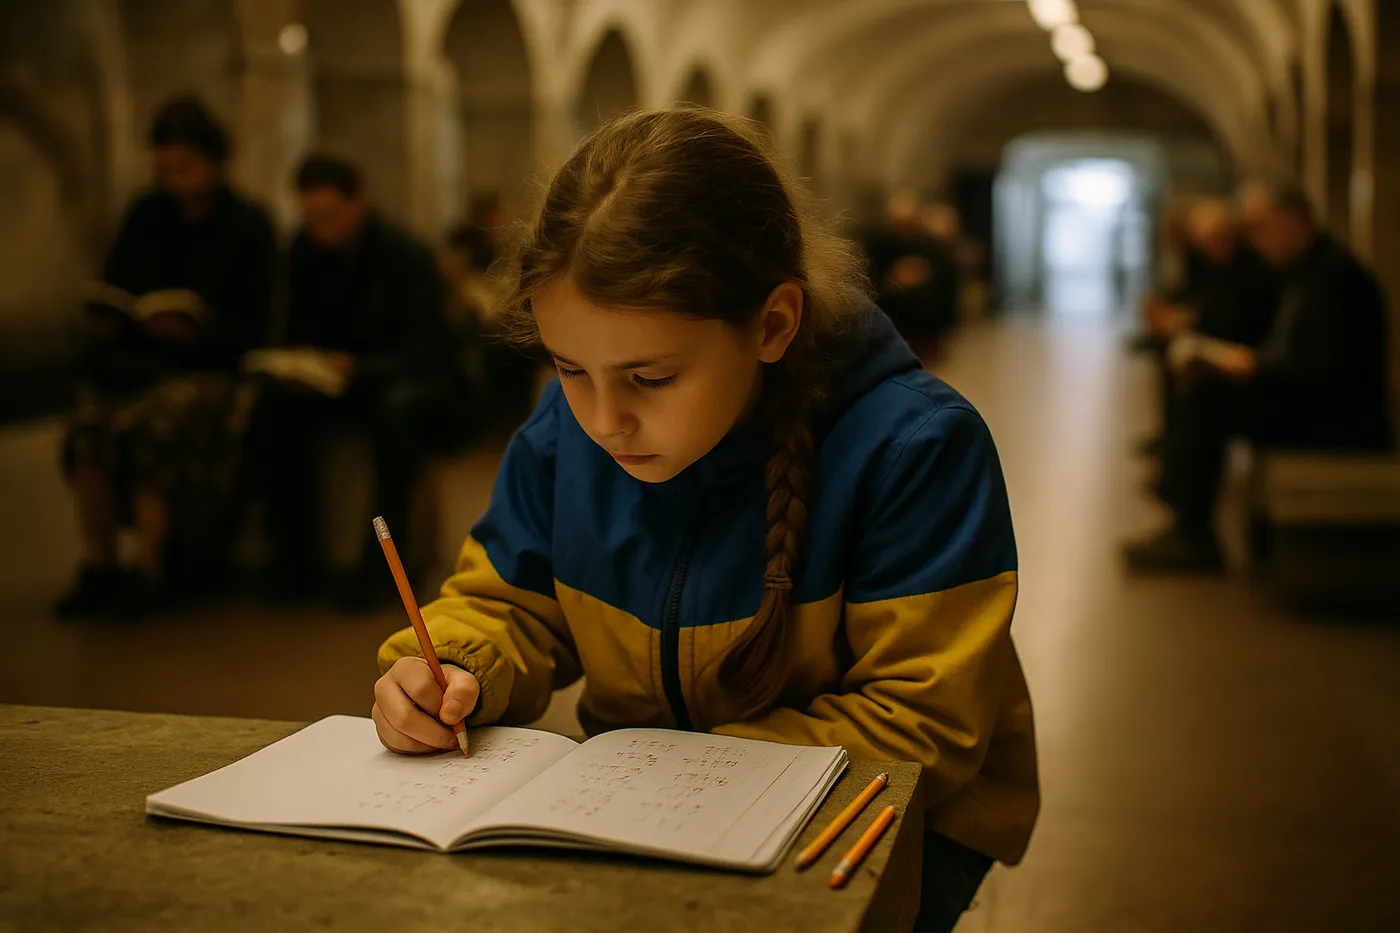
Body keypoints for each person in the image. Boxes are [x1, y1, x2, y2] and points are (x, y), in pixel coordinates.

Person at [369, 109, 1038, 932]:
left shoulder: (914, 447)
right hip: (650, 809)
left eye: (649, 378)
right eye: (571, 368)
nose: (605, 420)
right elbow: (507, 599)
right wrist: (451, 666)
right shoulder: (563, 433)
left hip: (890, 811)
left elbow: (921, 720)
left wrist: (677, 774)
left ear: (773, 324)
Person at [56, 96, 276, 617]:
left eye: (187, 168)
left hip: (207, 367)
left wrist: (196, 330)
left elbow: (256, 322)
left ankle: (150, 567)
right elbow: (118, 284)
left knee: (160, 419)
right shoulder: (145, 214)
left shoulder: (247, 223)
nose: (176, 180)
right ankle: (97, 563)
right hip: (138, 362)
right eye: (166, 169)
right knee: (90, 422)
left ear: (213, 162)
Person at [1124, 182, 1392, 572]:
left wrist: (1250, 365)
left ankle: (1193, 534)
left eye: (1259, 227)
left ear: (1291, 221)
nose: (1253, 240)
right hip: (1314, 402)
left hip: (1341, 419)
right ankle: (1183, 513)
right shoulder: (1303, 269)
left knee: (1206, 395)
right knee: (1199, 381)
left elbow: (1320, 371)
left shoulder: (1333, 277)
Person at [245, 155, 454, 606]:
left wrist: (358, 368)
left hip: (399, 379)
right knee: (272, 409)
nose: (320, 228)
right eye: (311, 217)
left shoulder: (405, 254)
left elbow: (426, 349)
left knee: (394, 416)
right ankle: (295, 561)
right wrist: (302, 365)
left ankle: (380, 568)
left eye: (329, 216)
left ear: (357, 202)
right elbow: (293, 327)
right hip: (339, 380)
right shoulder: (304, 249)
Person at [1138, 199, 1280, 457]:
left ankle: (1182, 471)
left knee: (1199, 389)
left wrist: (1187, 323)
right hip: (1222, 343)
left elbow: (1237, 317)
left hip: (1246, 352)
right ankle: (1173, 446)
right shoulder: (1209, 263)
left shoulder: (1254, 269)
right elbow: (1199, 297)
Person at [862, 191, 961, 360]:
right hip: (890, 295)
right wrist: (893, 277)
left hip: (923, 299)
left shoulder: (930, 245)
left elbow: (944, 275)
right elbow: (871, 273)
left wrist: (921, 273)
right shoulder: (880, 243)